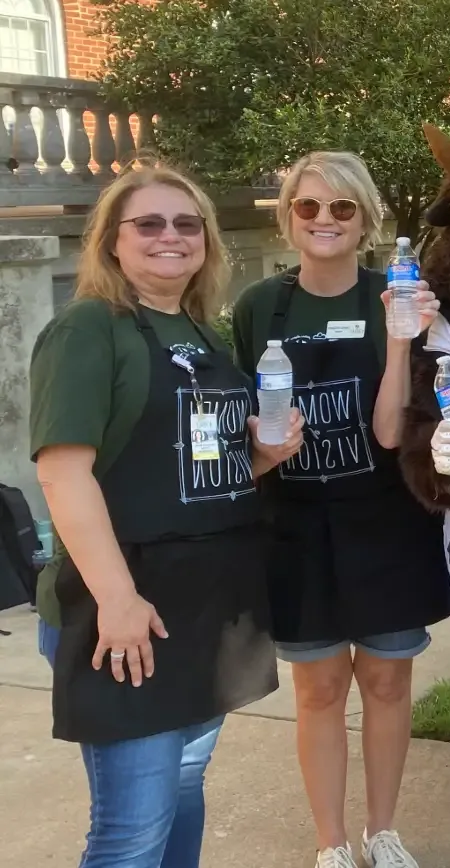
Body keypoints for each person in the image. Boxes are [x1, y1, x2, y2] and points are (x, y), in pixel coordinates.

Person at [29, 166, 302, 867]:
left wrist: (265, 458)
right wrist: (117, 600)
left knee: (182, 796)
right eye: (148, 224)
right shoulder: (90, 328)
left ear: (207, 242)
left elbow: (195, 471)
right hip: (127, 611)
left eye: (187, 224)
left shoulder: (202, 334)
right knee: (132, 833)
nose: (170, 237)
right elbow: (62, 471)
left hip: (207, 610)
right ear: (112, 242)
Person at [230, 152, 450, 868]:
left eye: (342, 208)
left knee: (387, 681)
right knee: (319, 687)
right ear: (288, 217)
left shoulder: (394, 300)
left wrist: (399, 341)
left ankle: (382, 833)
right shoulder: (258, 307)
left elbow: (391, 433)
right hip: (296, 525)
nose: (324, 220)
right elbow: (248, 430)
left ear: (365, 220)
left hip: (385, 519)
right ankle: (330, 843)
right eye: (309, 207)